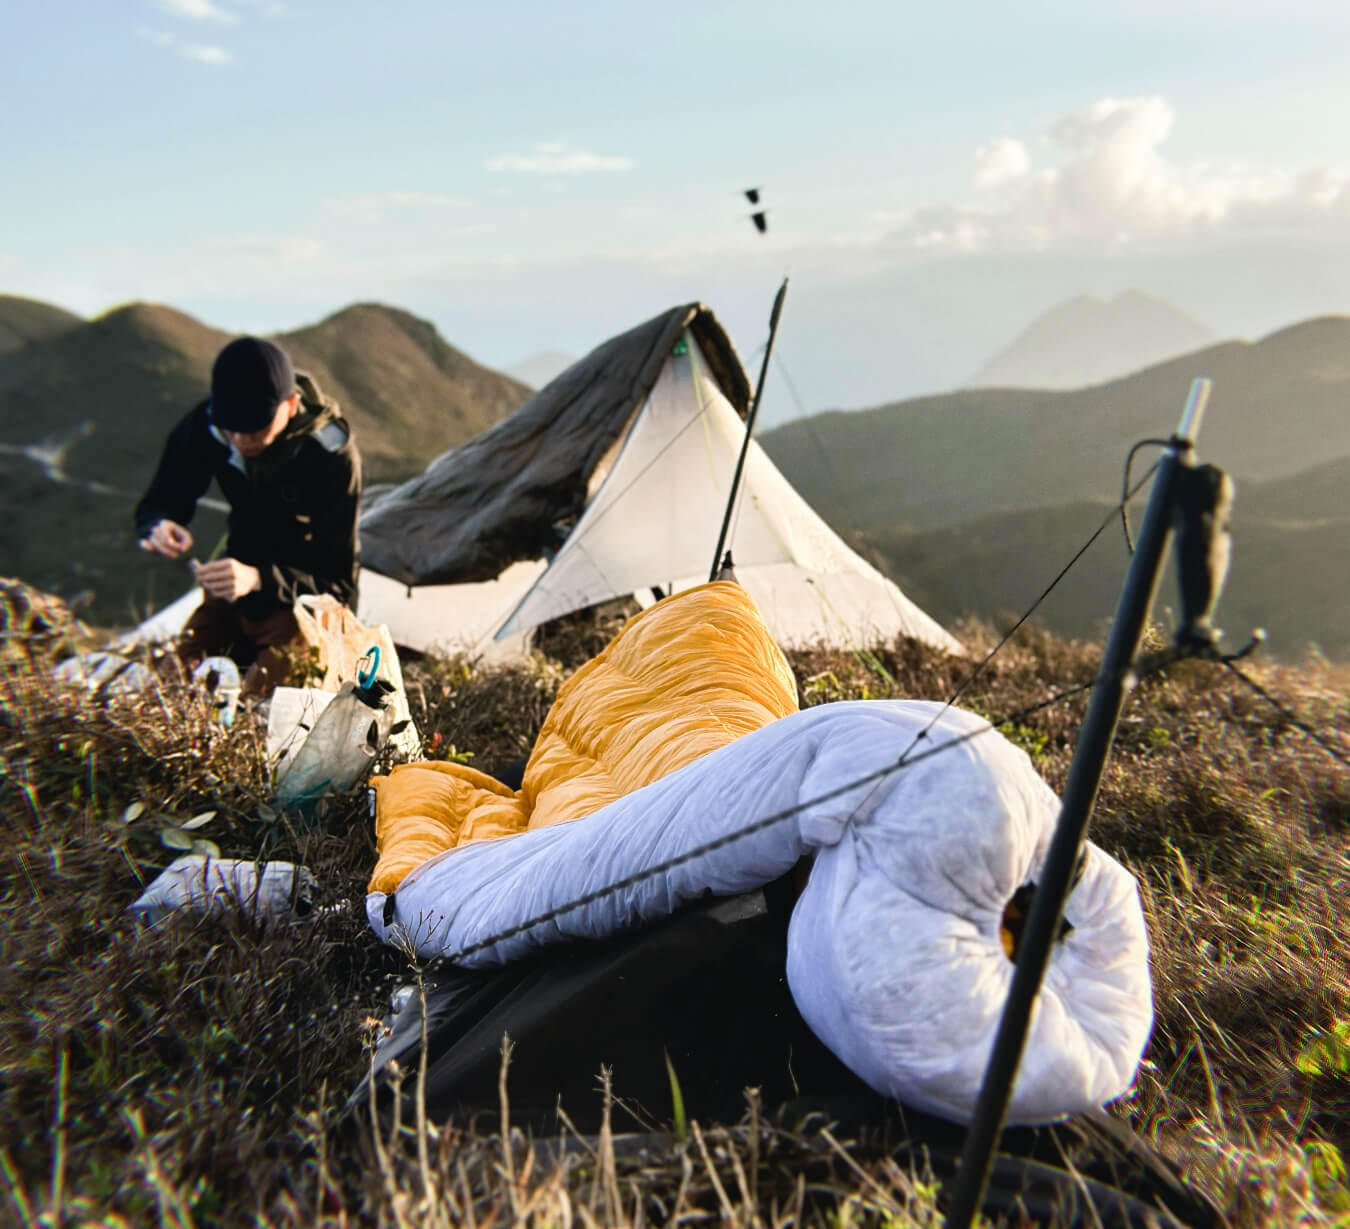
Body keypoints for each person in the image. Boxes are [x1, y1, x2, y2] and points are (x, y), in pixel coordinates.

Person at [135, 336, 361, 695]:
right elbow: (159, 501)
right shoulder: (210, 424)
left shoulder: (329, 454)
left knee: (261, 705)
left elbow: (338, 585)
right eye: (231, 428)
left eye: (255, 428)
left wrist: (258, 579)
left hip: (300, 611)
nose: (240, 439)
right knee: (169, 690)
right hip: (233, 597)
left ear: (291, 405)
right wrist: (160, 525)